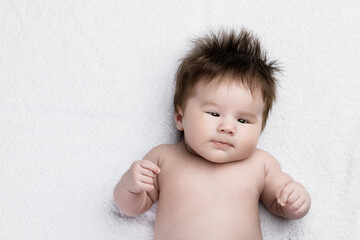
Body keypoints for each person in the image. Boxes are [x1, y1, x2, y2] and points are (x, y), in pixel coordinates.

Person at [113, 29, 311, 239]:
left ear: (260, 128)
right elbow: (131, 208)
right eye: (214, 113)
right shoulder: (163, 158)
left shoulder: (261, 164)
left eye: (243, 120)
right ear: (180, 118)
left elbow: (282, 203)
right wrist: (130, 185)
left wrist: (297, 200)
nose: (228, 127)